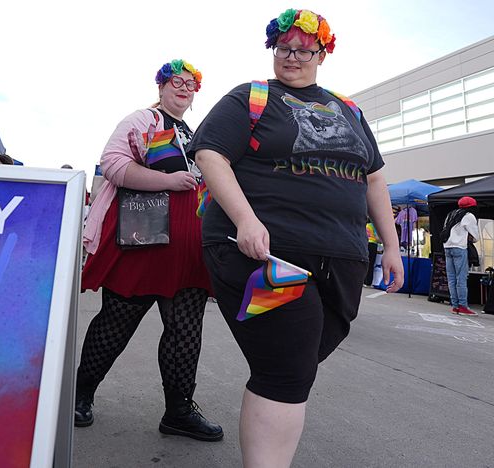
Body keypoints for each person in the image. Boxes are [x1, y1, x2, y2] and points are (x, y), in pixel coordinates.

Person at [190, 9, 403, 466]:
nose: (292, 57)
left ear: (321, 53)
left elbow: (375, 180)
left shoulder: (349, 109)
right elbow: (209, 155)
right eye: (283, 48)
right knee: (286, 370)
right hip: (265, 254)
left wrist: (391, 245)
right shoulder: (250, 98)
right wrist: (247, 220)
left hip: (342, 260)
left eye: (303, 50)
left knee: (292, 365)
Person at [76, 59, 223, 442]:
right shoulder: (143, 119)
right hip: (143, 241)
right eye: (177, 81)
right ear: (160, 87)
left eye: (192, 85)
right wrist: (166, 180)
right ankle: (80, 396)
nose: (185, 88)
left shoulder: (194, 133)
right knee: (116, 322)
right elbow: (112, 163)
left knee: (185, 330)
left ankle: (178, 412)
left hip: (188, 250)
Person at [441, 196, 480, 316]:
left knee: (451, 279)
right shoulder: (468, 216)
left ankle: (455, 306)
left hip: (447, 247)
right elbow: (476, 236)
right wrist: (471, 238)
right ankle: (463, 306)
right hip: (459, 248)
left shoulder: (450, 214)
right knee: (461, 278)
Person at [364, 220, 380, 286]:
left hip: (365, 244)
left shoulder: (366, 225)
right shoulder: (374, 226)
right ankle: (368, 282)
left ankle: (364, 281)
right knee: (371, 264)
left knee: (365, 263)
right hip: (373, 245)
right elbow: (377, 238)